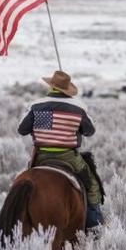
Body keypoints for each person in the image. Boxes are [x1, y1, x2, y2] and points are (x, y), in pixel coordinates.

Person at [16, 70, 105, 230]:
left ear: (51, 86)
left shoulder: (36, 105)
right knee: (92, 185)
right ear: (67, 89)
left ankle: (16, 223)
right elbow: (90, 131)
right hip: (69, 157)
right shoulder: (78, 107)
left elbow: (22, 129)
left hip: (41, 157)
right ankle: (94, 226)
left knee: (22, 183)